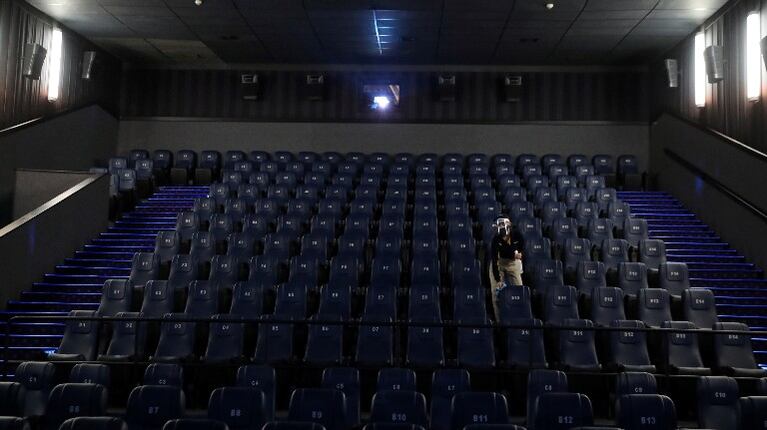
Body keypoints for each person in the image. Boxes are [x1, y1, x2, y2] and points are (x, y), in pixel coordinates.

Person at [489, 216, 524, 321]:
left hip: (513, 263)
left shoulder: (517, 235)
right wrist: (498, 279)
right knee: (496, 294)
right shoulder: (496, 239)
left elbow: (521, 250)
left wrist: (518, 256)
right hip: (500, 263)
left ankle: (519, 319)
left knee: (519, 291)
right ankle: (500, 322)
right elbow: (495, 260)